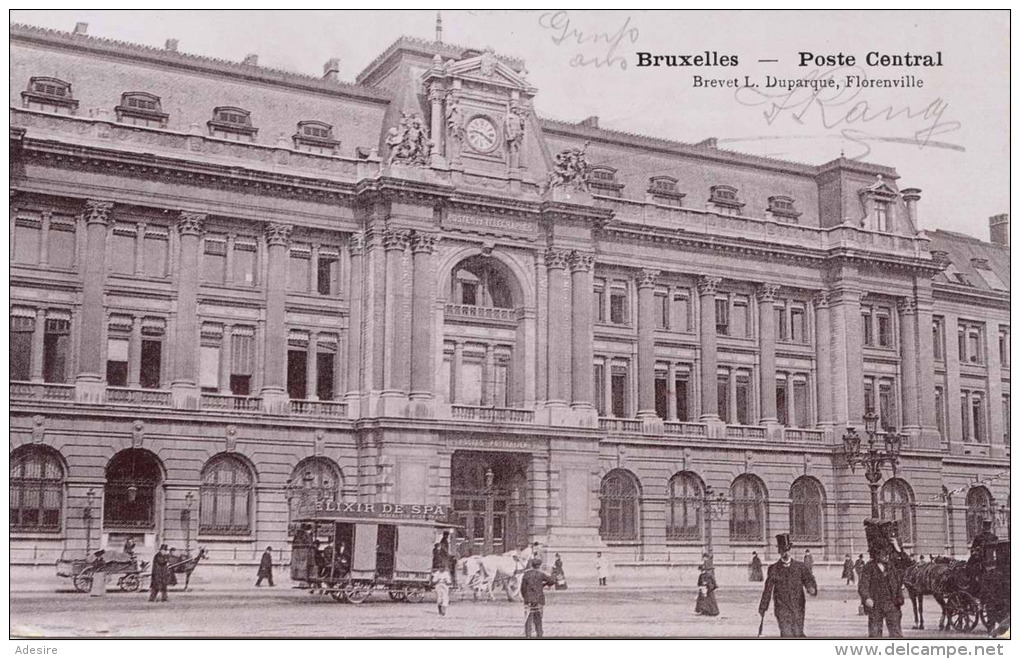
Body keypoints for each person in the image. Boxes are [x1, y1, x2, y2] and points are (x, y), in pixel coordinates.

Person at [758, 533, 818, 637]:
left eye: (787, 550)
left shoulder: (800, 567)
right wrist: (763, 606)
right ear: (779, 552)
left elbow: (809, 579)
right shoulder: (774, 569)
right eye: (782, 551)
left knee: (797, 632)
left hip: (798, 606)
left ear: (790, 550)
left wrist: (811, 588)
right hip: (782, 608)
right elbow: (768, 589)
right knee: (786, 634)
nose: (785, 553)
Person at [859, 549, 904, 637]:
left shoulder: (893, 566)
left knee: (896, 633)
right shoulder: (869, 567)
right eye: (884, 554)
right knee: (875, 634)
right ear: (877, 555)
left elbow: (907, 564)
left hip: (892, 603)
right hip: (875, 604)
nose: (887, 556)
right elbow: (862, 586)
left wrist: (897, 548)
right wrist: (867, 598)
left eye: (888, 554)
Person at [520, 558, 557, 638]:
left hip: (528, 600)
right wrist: (544, 584)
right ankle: (539, 635)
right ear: (539, 566)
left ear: (532, 565)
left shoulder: (526, 574)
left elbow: (522, 588)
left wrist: (525, 597)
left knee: (528, 619)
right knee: (538, 619)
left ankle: (528, 635)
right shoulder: (541, 574)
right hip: (538, 599)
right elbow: (552, 581)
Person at [431, 541, 452, 616]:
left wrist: (446, 582)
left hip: (444, 585)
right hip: (439, 585)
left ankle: (444, 611)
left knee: (445, 598)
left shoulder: (446, 574)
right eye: (441, 568)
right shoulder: (437, 573)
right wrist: (437, 581)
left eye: (443, 568)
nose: (441, 569)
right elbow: (433, 581)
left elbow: (449, 582)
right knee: (439, 598)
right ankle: (440, 609)